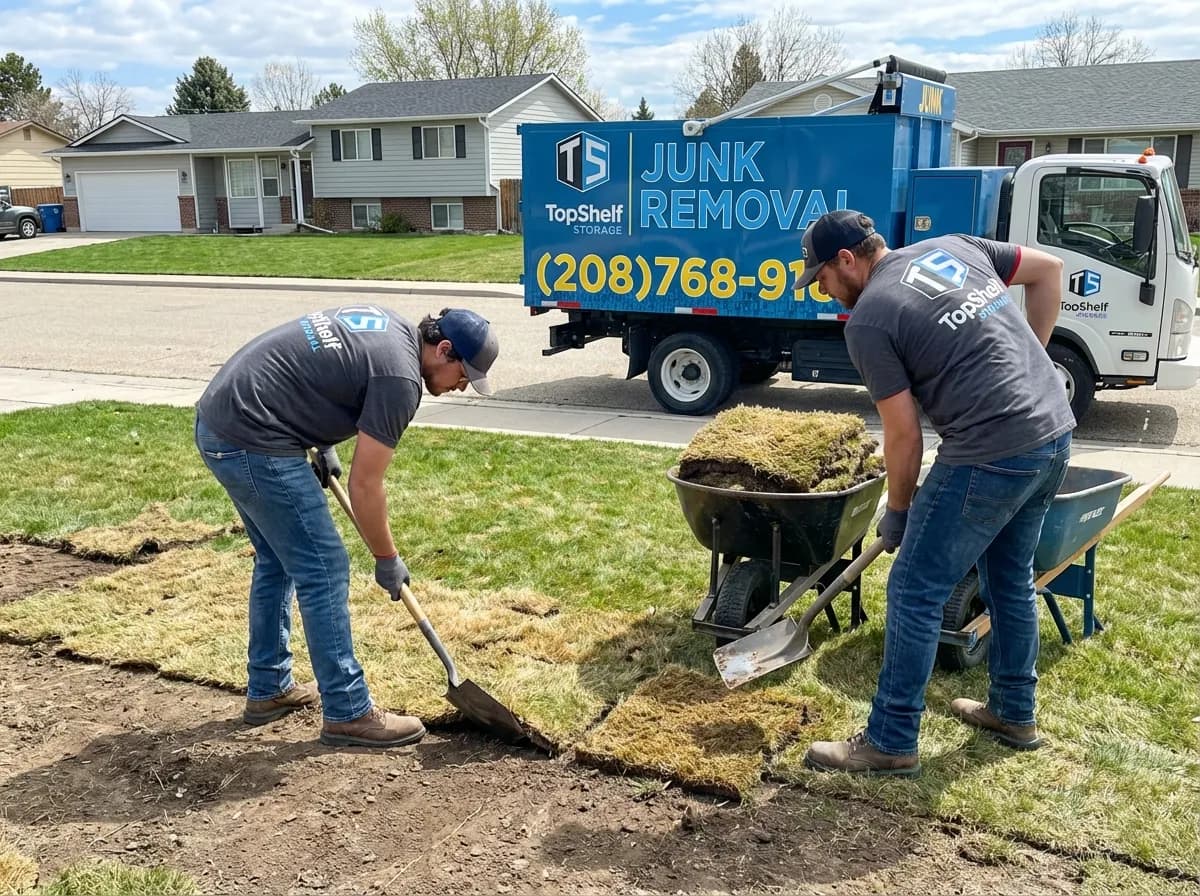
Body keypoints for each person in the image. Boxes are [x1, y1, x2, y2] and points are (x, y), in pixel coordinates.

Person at [796, 210, 1075, 776]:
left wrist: (898, 511)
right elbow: (1051, 271)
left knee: (916, 588)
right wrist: (1030, 368)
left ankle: (891, 739)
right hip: (1052, 430)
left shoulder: (870, 319)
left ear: (847, 259)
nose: (823, 290)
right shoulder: (954, 244)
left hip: (990, 451)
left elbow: (903, 436)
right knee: (1008, 577)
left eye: (821, 276)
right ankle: (1015, 712)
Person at [194, 305, 498, 748]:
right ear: (444, 349)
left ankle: (269, 688)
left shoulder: (393, 329)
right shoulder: (402, 381)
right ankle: (348, 711)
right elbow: (366, 484)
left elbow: (319, 372)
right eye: (463, 375)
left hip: (224, 419)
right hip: (252, 436)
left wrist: (321, 439)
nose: (460, 386)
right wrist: (386, 558)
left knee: (279, 562)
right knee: (324, 567)